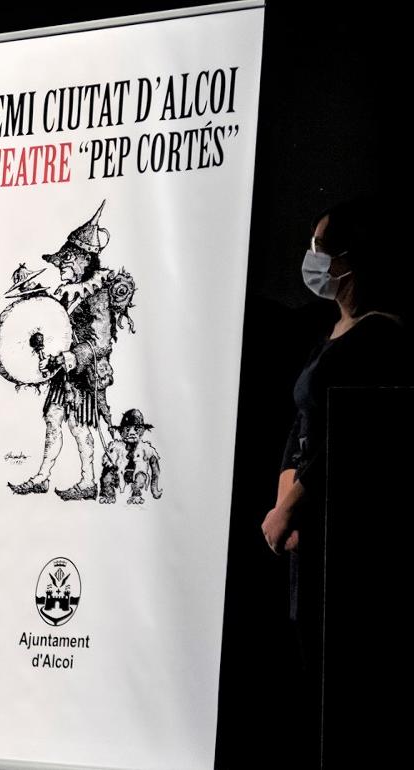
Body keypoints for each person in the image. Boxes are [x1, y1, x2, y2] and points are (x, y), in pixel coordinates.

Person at [260, 195, 412, 763]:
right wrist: (281, 511)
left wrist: (292, 508)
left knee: (338, 676)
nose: (311, 256)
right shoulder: (328, 332)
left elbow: (341, 440)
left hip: (337, 529)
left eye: (320, 245)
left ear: (350, 259)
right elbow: (299, 426)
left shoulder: (380, 336)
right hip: (303, 530)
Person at [9, 201, 137, 500]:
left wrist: (72, 356)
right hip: (62, 372)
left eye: (68, 259)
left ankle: (88, 481)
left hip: (84, 373)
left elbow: (101, 342)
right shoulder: (68, 291)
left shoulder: (99, 294)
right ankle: (42, 477)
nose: (62, 265)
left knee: (79, 427)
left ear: (84, 260)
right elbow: (56, 322)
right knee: (53, 419)